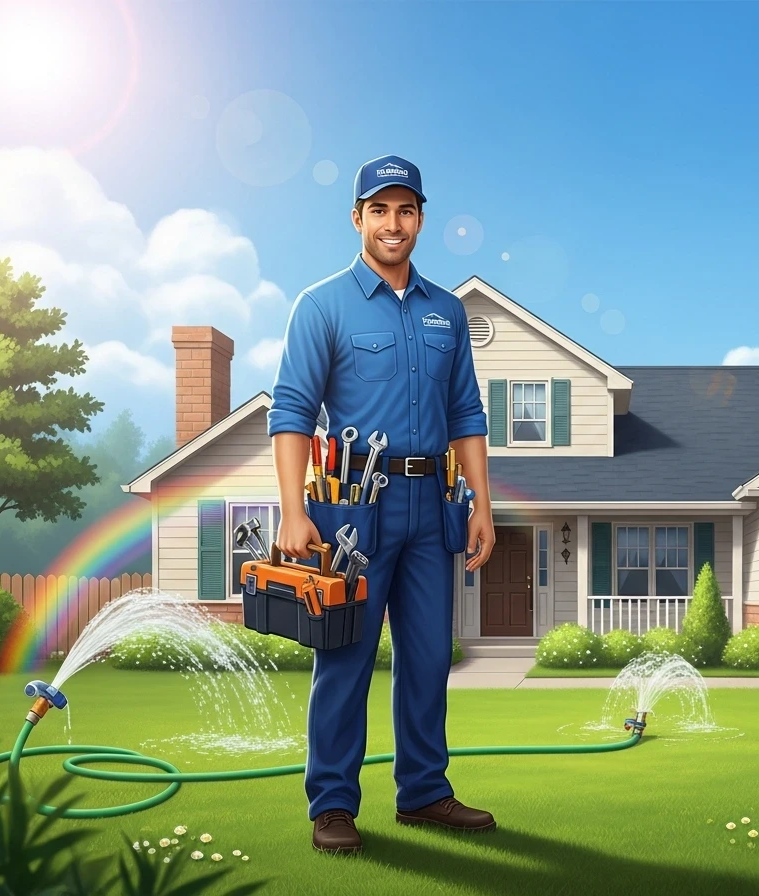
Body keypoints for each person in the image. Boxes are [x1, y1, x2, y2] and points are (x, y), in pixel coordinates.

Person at [267, 153, 497, 854]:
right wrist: (292, 510)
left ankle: (424, 791)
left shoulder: (447, 312)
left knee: (428, 659)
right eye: (379, 210)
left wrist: (481, 504)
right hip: (352, 514)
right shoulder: (321, 306)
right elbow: (292, 412)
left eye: (405, 210)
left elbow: (467, 412)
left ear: (421, 219)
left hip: (435, 505)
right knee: (345, 659)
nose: (392, 223)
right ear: (357, 218)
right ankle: (332, 804)